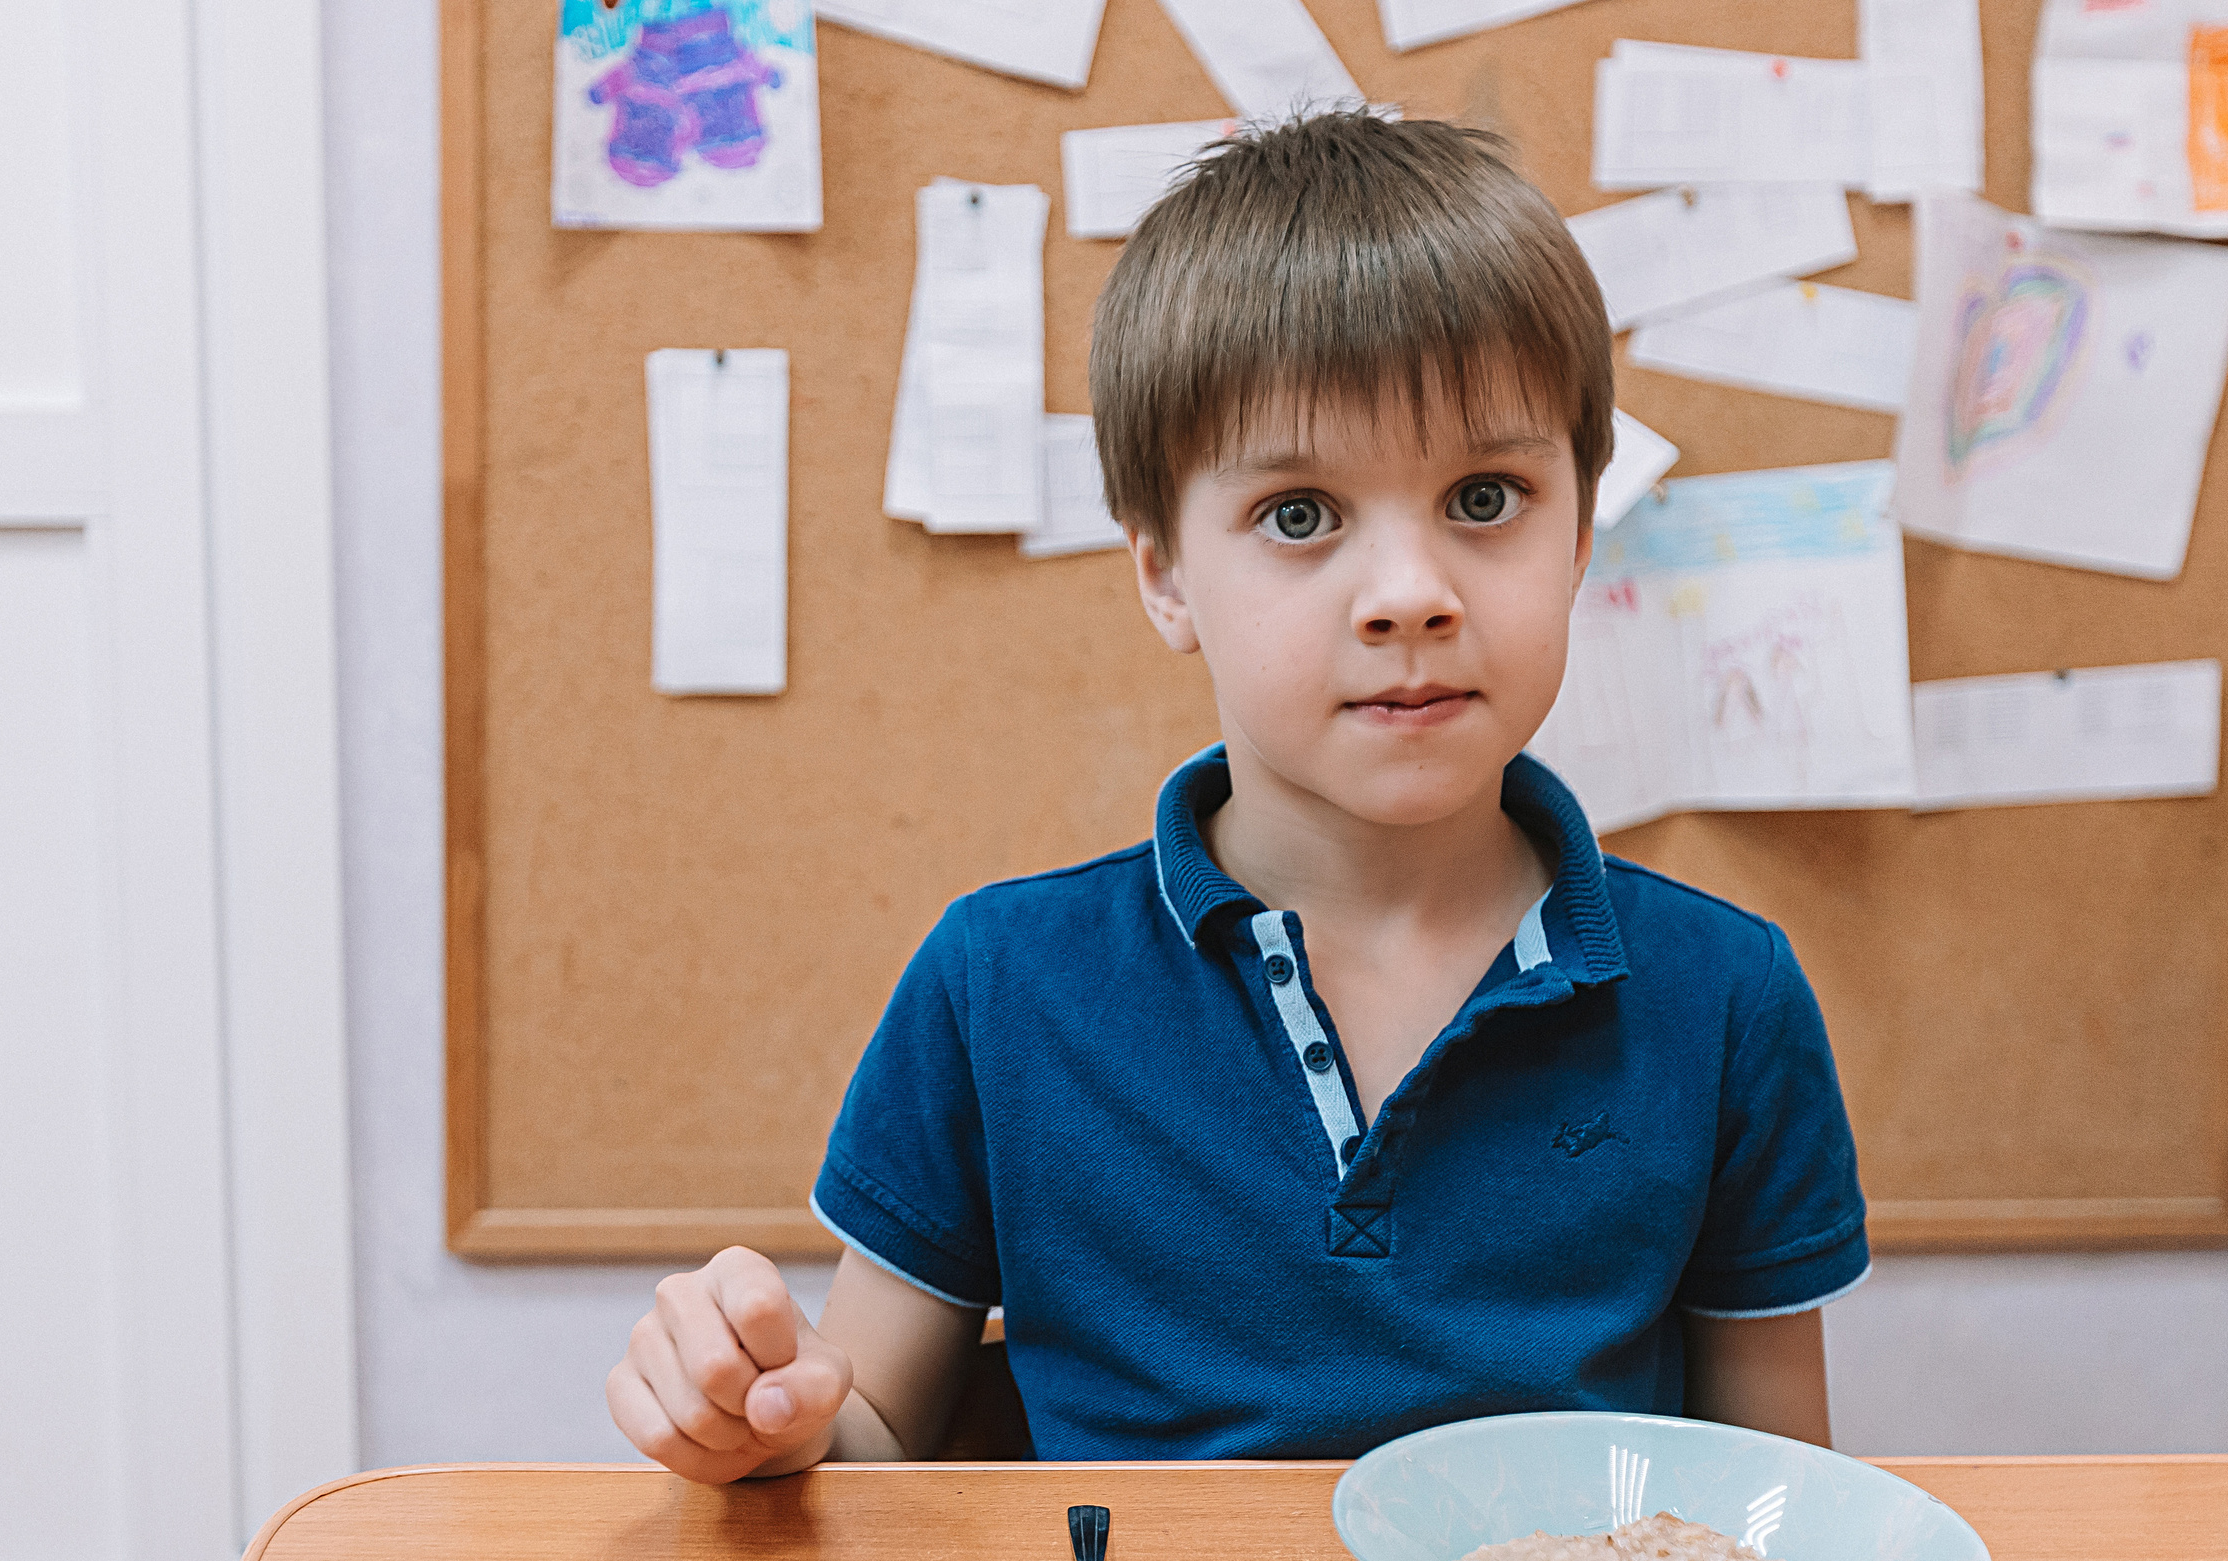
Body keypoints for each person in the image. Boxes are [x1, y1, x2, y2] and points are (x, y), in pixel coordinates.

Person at [606, 110, 1868, 1484]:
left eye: (1486, 497)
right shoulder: (998, 986)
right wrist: (761, 1415)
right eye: (1300, 516)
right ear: (1163, 573)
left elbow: (1778, 1510)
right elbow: (880, 1441)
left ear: (1578, 531)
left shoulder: (1728, 1000)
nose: (1409, 596)